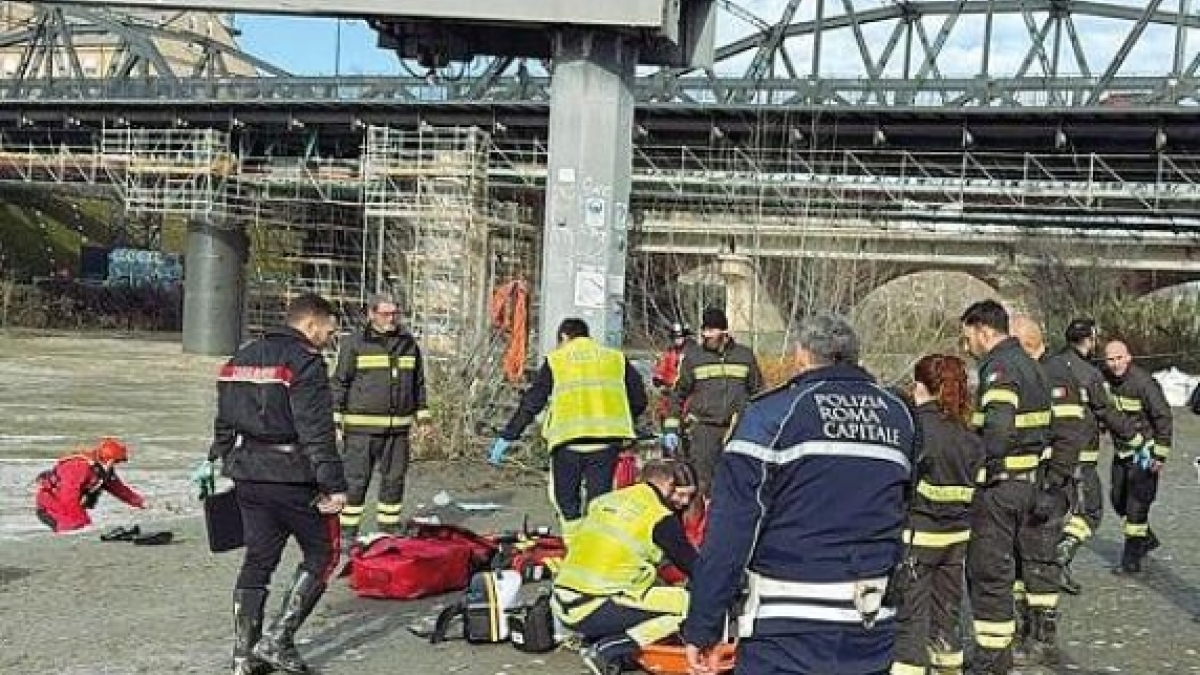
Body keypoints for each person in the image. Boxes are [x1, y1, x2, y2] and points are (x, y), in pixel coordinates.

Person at [684, 312, 917, 675]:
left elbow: (731, 532)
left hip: (787, 627)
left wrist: (703, 625)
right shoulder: (899, 416)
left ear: (802, 356)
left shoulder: (772, 415)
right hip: (871, 623)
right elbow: (902, 509)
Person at [199, 293, 348, 675]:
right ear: (311, 324)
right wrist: (334, 485)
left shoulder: (240, 357)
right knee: (324, 553)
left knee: (258, 559)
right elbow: (317, 430)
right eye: (330, 328)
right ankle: (277, 641)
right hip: (292, 474)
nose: (331, 335)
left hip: (246, 471)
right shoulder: (306, 362)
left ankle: (242, 657)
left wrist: (214, 459)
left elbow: (224, 419)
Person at [488, 318, 647, 541]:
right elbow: (639, 399)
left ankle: (573, 547)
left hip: (567, 444)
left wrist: (509, 435)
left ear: (563, 337)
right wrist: (622, 420)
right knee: (600, 503)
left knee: (567, 502)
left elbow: (533, 401)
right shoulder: (615, 358)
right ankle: (594, 549)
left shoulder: (557, 360)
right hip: (605, 443)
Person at [959, 301, 1053, 674]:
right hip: (1030, 483)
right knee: (1011, 569)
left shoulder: (999, 367)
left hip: (1001, 488)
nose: (966, 347)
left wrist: (984, 470)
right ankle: (1003, 652)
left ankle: (992, 660)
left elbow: (998, 428)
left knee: (989, 573)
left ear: (985, 331)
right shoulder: (1033, 366)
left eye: (968, 338)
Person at [551, 460, 700, 675]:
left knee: (653, 589)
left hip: (563, 602)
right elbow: (694, 567)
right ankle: (610, 649)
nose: (685, 502)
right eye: (682, 494)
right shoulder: (658, 516)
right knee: (695, 606)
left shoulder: (607, 500)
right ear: (668, 483)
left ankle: (598, 638)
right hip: (595, 606)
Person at [891, 355, 984, 675]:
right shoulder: (969, 434)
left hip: (918, 536)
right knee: (947, 614)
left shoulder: (915, 428)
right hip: (957, 539)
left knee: (911, 620)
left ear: (920, 387)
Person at [331, 294, 432, 552]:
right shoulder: (355, 344)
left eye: (395, 314)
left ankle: (388, 526)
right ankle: (346, 531)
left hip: (398, 429)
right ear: (371, 314)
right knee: (355, 480)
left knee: (394, 479)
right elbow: (340, 382)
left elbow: (418, 383)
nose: (392, 319)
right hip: (361, 429)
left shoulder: (408, 344)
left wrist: (423, 417)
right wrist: (335, 421)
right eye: (386, 314)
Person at [1010, 316, 1083, 666]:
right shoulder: (1027, 373)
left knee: (1039, 560)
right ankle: (1024, 627)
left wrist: (1054, 484)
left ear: (1025, 344)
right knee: (1021, 562)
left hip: (1047, 485)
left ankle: (1042, 635)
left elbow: (1070, 435)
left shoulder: (1055, 373)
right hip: (1023, 484)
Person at [1054, 318, 1143, 593]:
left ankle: (1042, 567)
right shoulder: (1090, 375)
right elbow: (1105, 411)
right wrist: (1135, 437)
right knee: (1091, 512)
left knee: (1053, 511)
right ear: (1090, 340)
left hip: (1051, 455)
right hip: (1081, 457)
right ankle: (1060, 556)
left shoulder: (1049, 366)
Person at [662, 307, 763, 491]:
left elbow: (759, 394)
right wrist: (671, 427)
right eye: (704, 329)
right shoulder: (694, 357)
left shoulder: (745, 356)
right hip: (703, 432)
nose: (705, 334)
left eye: (710, 330)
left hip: (737, 431)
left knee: (736, 484)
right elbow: (678, 394)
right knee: (702, 485)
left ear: (724, 332)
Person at [1102, 339, 1173, 575]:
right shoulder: (1105, 379)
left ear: (1129, 357)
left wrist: (1159, 455)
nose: (1114, 364)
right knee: (1117, 499)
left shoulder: (1143, 383)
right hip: (1123, 451)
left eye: (1119, 358)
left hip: (1145, 452)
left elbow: (1163, 417)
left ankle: (1131, 561)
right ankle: (1146, 538)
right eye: (1110, 359)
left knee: (1136, 508)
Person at [34, 437, 145, 533]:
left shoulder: (102, 470)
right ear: (109, 460)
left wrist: (141, 503)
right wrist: (85, 522)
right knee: (75, 528)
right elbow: (68, 498)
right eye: (116, 461)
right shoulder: (79, 467)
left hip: (65, 505)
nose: (116, 465)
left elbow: (119, 489)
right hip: (51, 507)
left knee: (80, 527)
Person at [650, 321, 694, 429]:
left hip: (688, 396)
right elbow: (661, 370)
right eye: (675, 337)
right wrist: (658, 378)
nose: (677, 339)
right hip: (670, 394)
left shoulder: (694, 353)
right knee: (667, 420)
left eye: (680, 336)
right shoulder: (669, 353)